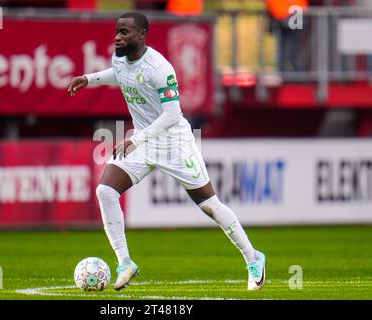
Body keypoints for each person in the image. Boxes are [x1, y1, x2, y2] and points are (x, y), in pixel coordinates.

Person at [67, 12, 266, 291]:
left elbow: (173, 114)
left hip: (174, 142)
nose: (118, 37)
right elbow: (121, 75)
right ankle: (125, 262)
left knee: (209, 204)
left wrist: (138, 138)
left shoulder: (160, 68)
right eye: (116, 31)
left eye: (124, 32)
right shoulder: (120, 58)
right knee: (105, 191)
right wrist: (89, 79)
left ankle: (253, 257)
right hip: (143, 141)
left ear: (141, 35)